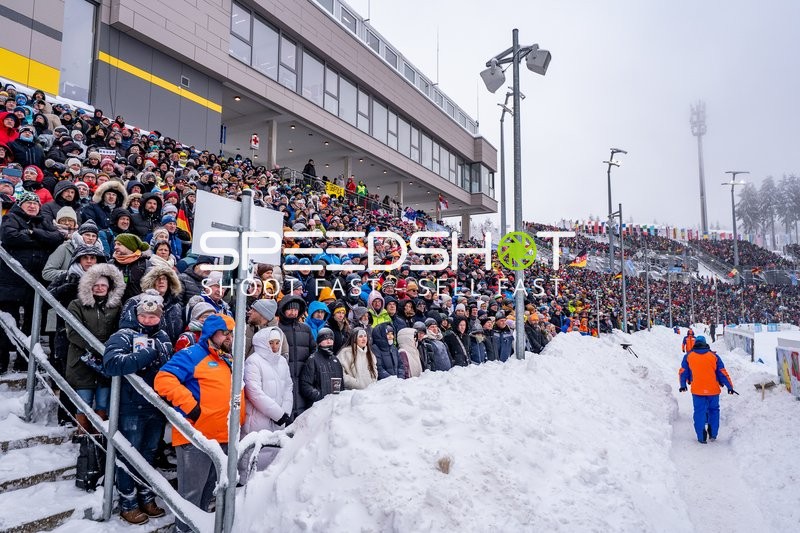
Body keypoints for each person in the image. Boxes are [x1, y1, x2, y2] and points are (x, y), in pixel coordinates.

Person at [154, 314, 243, 532]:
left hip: (224, 437)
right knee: (190, 498)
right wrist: (191, 408)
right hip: (196, 439)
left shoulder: (229, 359)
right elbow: (163, 379)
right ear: (212, 334)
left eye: (232, 333)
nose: (229, 338)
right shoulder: (193, 354)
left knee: (207, 496)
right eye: (225, 333)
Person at [102, 290, 173, 524]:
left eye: (153, 317)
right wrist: (146, 354)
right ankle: (128, 502)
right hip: (131, 405)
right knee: (130, 454)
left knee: (150, 454)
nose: (148, 320)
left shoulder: (163, 335)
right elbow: (112, 364)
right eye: (144, 316)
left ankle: (146, 495)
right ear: (137, 314)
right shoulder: (124, 335)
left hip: (155, 405)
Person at [0, 191, 63, 373]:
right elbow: (10, 236)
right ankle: (2, 360)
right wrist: (40, 239)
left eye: (35, 204)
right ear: (20, 205)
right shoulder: (11, 218)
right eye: (29, 203)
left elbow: (56, 238)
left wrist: (31, 232)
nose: (33, 206)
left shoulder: (43, 221)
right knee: (5, 324)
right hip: (10, 283)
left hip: (34, 284)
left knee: (31, 325)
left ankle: (24, 360)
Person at [66, 263, 124, 432]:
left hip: (106, 362)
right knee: (83, 403)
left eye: (103, 285)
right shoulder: (76, 305)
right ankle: (84, 437)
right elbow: (73, 332)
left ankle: (99, 438)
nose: (99, 288)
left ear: (109, 287)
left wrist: (109, 350)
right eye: (96, 285)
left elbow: (120, 330)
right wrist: (95, 348)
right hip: (81, 360)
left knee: (103, 403)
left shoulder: (116, 306)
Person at [240, 327, 292, 483]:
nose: (275, 346)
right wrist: (278, 414)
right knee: (251, 458)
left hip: (278, 420)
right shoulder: (253, 361)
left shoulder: (282, 361)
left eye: (277, 342)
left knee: (271, 461)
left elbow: (289, 387)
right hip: (257, 420)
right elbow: (254, 391)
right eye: (271, 343)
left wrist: (285, 412)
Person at [678, 335, 737, 444]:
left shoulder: (688, 356)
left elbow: (683, 372)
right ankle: (713, 433)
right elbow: (722, 373)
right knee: (714, 410)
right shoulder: (714, 356)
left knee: (699, 412)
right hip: (713, 390)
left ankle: (701, 436)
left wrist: (683, 385)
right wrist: (730, 387)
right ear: (705, 343)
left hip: (697, 390)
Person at [277, 295, 316, 419]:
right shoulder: (276, 329)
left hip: (302, 376)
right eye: (290, 309)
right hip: (282, 377)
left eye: (296, 309)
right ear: (283, 310)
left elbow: (313, 350)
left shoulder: (305, 329)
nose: (293, 312)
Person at [300, 327, 344, 406]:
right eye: (325, 338)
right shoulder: (312, 360)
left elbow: (341, 385)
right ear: (319, 342)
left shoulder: (336, 360)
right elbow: (305, 385)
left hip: (334, 405)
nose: (329, 341)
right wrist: (319, 396)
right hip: (318, 406)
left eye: (331, 338)